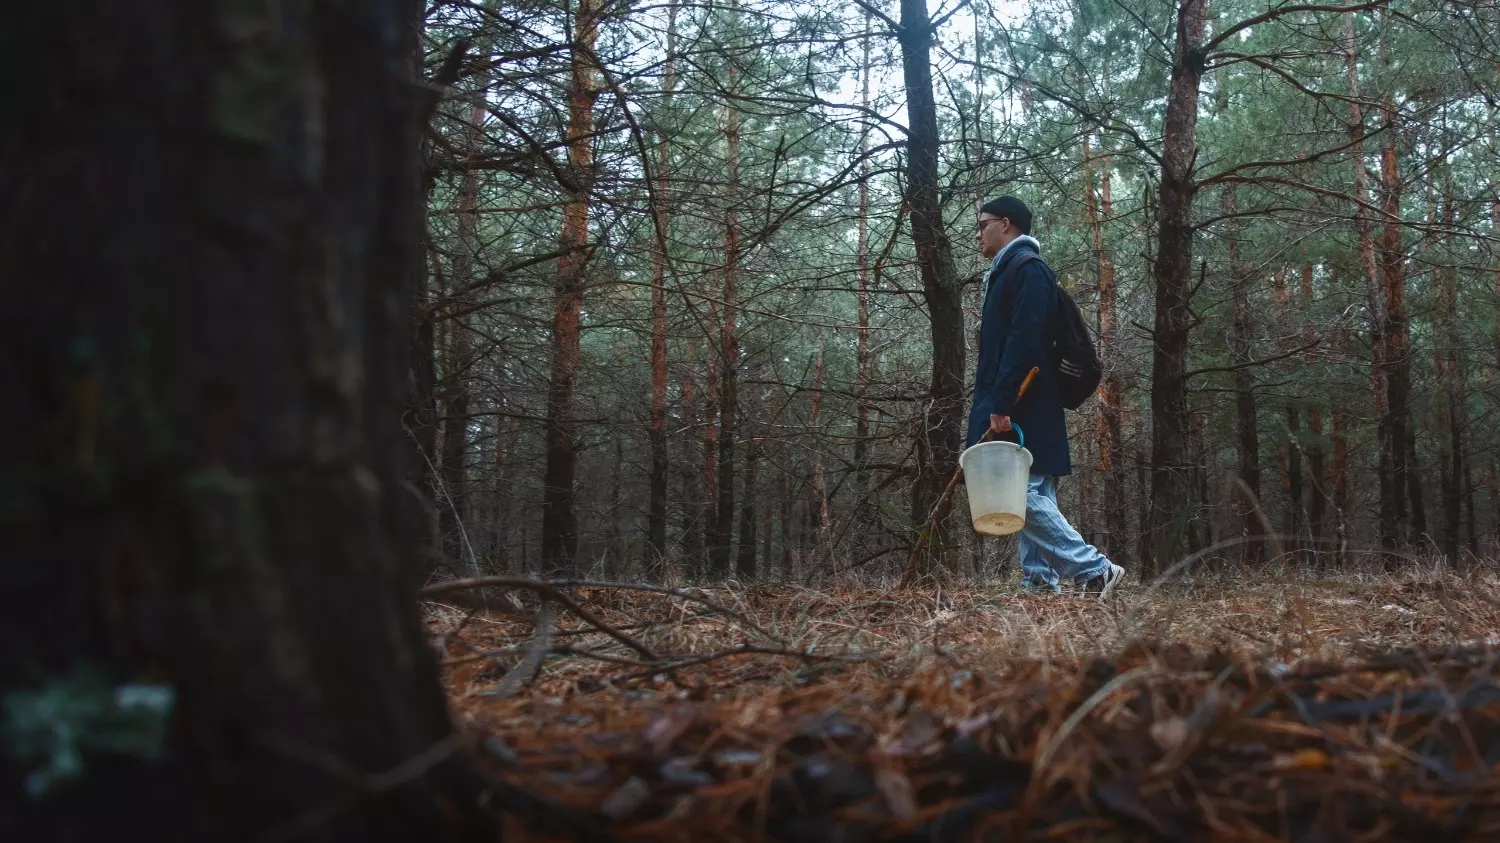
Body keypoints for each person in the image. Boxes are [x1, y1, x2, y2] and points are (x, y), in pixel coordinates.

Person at [969, 195, 1124, 598]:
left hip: (1023, 400)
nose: (978, 234)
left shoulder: (1027, 269)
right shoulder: (1012, 271)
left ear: (1005, 224)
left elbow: (1025, 342)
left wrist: (1002, 403)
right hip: (1023, 398)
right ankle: (1038, 581)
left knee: (1021, 492)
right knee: (1036, 489)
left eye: (981, 224)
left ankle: (1095, 569)